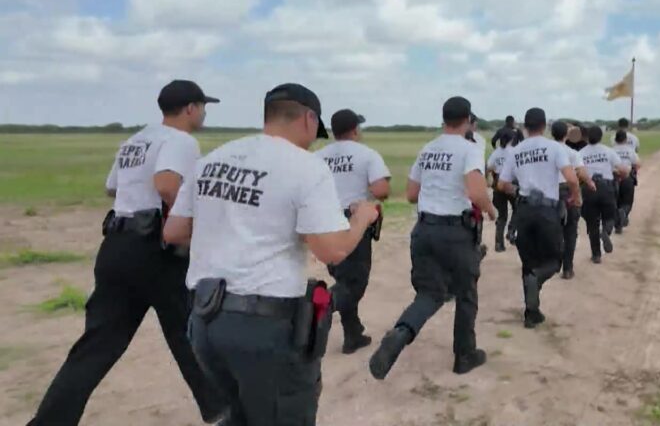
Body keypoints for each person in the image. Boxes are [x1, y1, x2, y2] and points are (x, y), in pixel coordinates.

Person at [164, 83, 379, 425]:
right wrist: (362, 219)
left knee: (238, 416)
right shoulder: (304, 167)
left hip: (205, 321)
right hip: (264, 326)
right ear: (309, 119)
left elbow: (173, 231)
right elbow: (333, 250)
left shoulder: (213, 159)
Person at [29, 80, 227, 426]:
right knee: (189, 333)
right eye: (203, 107)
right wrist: (195, 216)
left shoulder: (135, 140)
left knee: (96, 346)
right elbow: (166, 184)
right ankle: (223, 411)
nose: (204, 113)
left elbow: (112, 187)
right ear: (191, 108)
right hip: (157, 251)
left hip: (117, 246)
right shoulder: (180, 141)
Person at [369, 97, 497, 380]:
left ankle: (402, 332)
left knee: (429, 293)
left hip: (424, 229)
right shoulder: (470, 148)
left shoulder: (428, 148)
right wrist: (491, 210)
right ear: (468, 120)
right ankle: (464, 355)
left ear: (444, 119)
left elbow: (412, 194)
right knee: (465, 294)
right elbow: (476, 192)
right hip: (455, 232)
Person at [317, 108, 391, 354]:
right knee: (354, 282)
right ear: (355, 129)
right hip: (352, 221)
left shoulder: (319, 155)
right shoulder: (366, 154)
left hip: (323, 221)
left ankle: (353, 334)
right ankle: (316, 308)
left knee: (343, 277)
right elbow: (381, 190)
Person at [497, 108, 580, 327]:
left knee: (528, 263)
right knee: (555, 259)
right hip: (547, 211)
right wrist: (576, 197)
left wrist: (520, 192)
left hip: (524, 210)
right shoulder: (554, 147)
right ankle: (537, 284)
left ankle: (531, 312)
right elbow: (571, 178)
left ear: (525, 126)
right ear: (544, 126)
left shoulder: (516, 151)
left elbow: (501, 184)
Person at [551, 120, 595, 280]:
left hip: (548, 194)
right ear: (566, 135)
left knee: (551, 230)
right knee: (570, 231)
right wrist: (589, 183)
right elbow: (581, 174)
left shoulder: (546, 151)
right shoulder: (572, 153)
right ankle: (567, 268)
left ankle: (552, 263)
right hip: (567, 191)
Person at [579, 126, 629, 264]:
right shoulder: (608, 151)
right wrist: (620, 175)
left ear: (587, 137)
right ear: (601, 137)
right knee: (610, 215)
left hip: (589, 188)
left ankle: (596, 255)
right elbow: (623, 170)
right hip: (606, 187)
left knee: (592, 223)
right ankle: (606, 231)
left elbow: (577, 172)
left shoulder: (581, 153)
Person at [486, 131, 516, 252]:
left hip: (498, 184)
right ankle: (511, 230)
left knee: (502, 215)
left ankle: (499, 244)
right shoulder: (514, 151)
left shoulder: (495, 153)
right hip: (511, 183)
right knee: (517, 208)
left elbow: (488, 167)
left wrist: (489, 180)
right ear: (511, 139)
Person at [613, 130, 642, 234]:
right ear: (625, 140)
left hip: (614, 178)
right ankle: (623, 214)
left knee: (615, 201)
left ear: (615, 139)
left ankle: (617, 222)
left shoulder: (611, 150)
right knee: (627, 202)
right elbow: (638, 164)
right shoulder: (630, 151)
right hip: (627, 178)